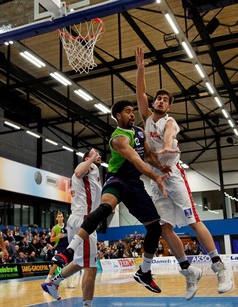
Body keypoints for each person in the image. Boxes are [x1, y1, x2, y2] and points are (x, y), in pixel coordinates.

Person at [135, 46, 232, 298]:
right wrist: (141, 68)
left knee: (193, 220)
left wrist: (168, 146)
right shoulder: (146, 117)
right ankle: (188, 271)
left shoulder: (169, 121)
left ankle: (219, 267)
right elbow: (139, 94)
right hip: (155, 179)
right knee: (164, 228)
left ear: (169, 106)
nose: (161, 100)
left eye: (166, 100)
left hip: (174, 176)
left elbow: (169, 135)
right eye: (159, 98)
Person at [47, 100, 169, 300]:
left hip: (134, 185)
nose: (132, 114)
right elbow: (136, 160)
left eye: (133, 111)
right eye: (127, 112)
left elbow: (146, 155)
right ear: (118, 116)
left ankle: (144, 272)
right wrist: (155, 176)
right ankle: (67, 253)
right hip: (118, 179)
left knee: (155, 227)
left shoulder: (138, 132)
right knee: (104, 209)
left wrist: (161, 167)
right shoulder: (118, 138)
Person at [42, 148, 102, 306]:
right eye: (95, 153)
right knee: (91, 267)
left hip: (81, 219)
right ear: (87, 158)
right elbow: (77, 171)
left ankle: (53, 283)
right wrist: (90, 159)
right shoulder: (85, 168)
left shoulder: (94, 171)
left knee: (81, 262)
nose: (99, 156)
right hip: (84, 220)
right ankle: (87, 304)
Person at [44, 211, 69, 283]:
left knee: (68, 265)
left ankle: (68, 282)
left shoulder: (67, 226)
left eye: (61, 217)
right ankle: (48, 279)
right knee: (56, 264)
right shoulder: (55, 228)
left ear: (63, 218)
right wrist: (57, 236)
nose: (60, 218)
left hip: (67, 247)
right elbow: (51, 239)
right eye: (59, 217)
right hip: (59, 247)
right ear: (56, 218)